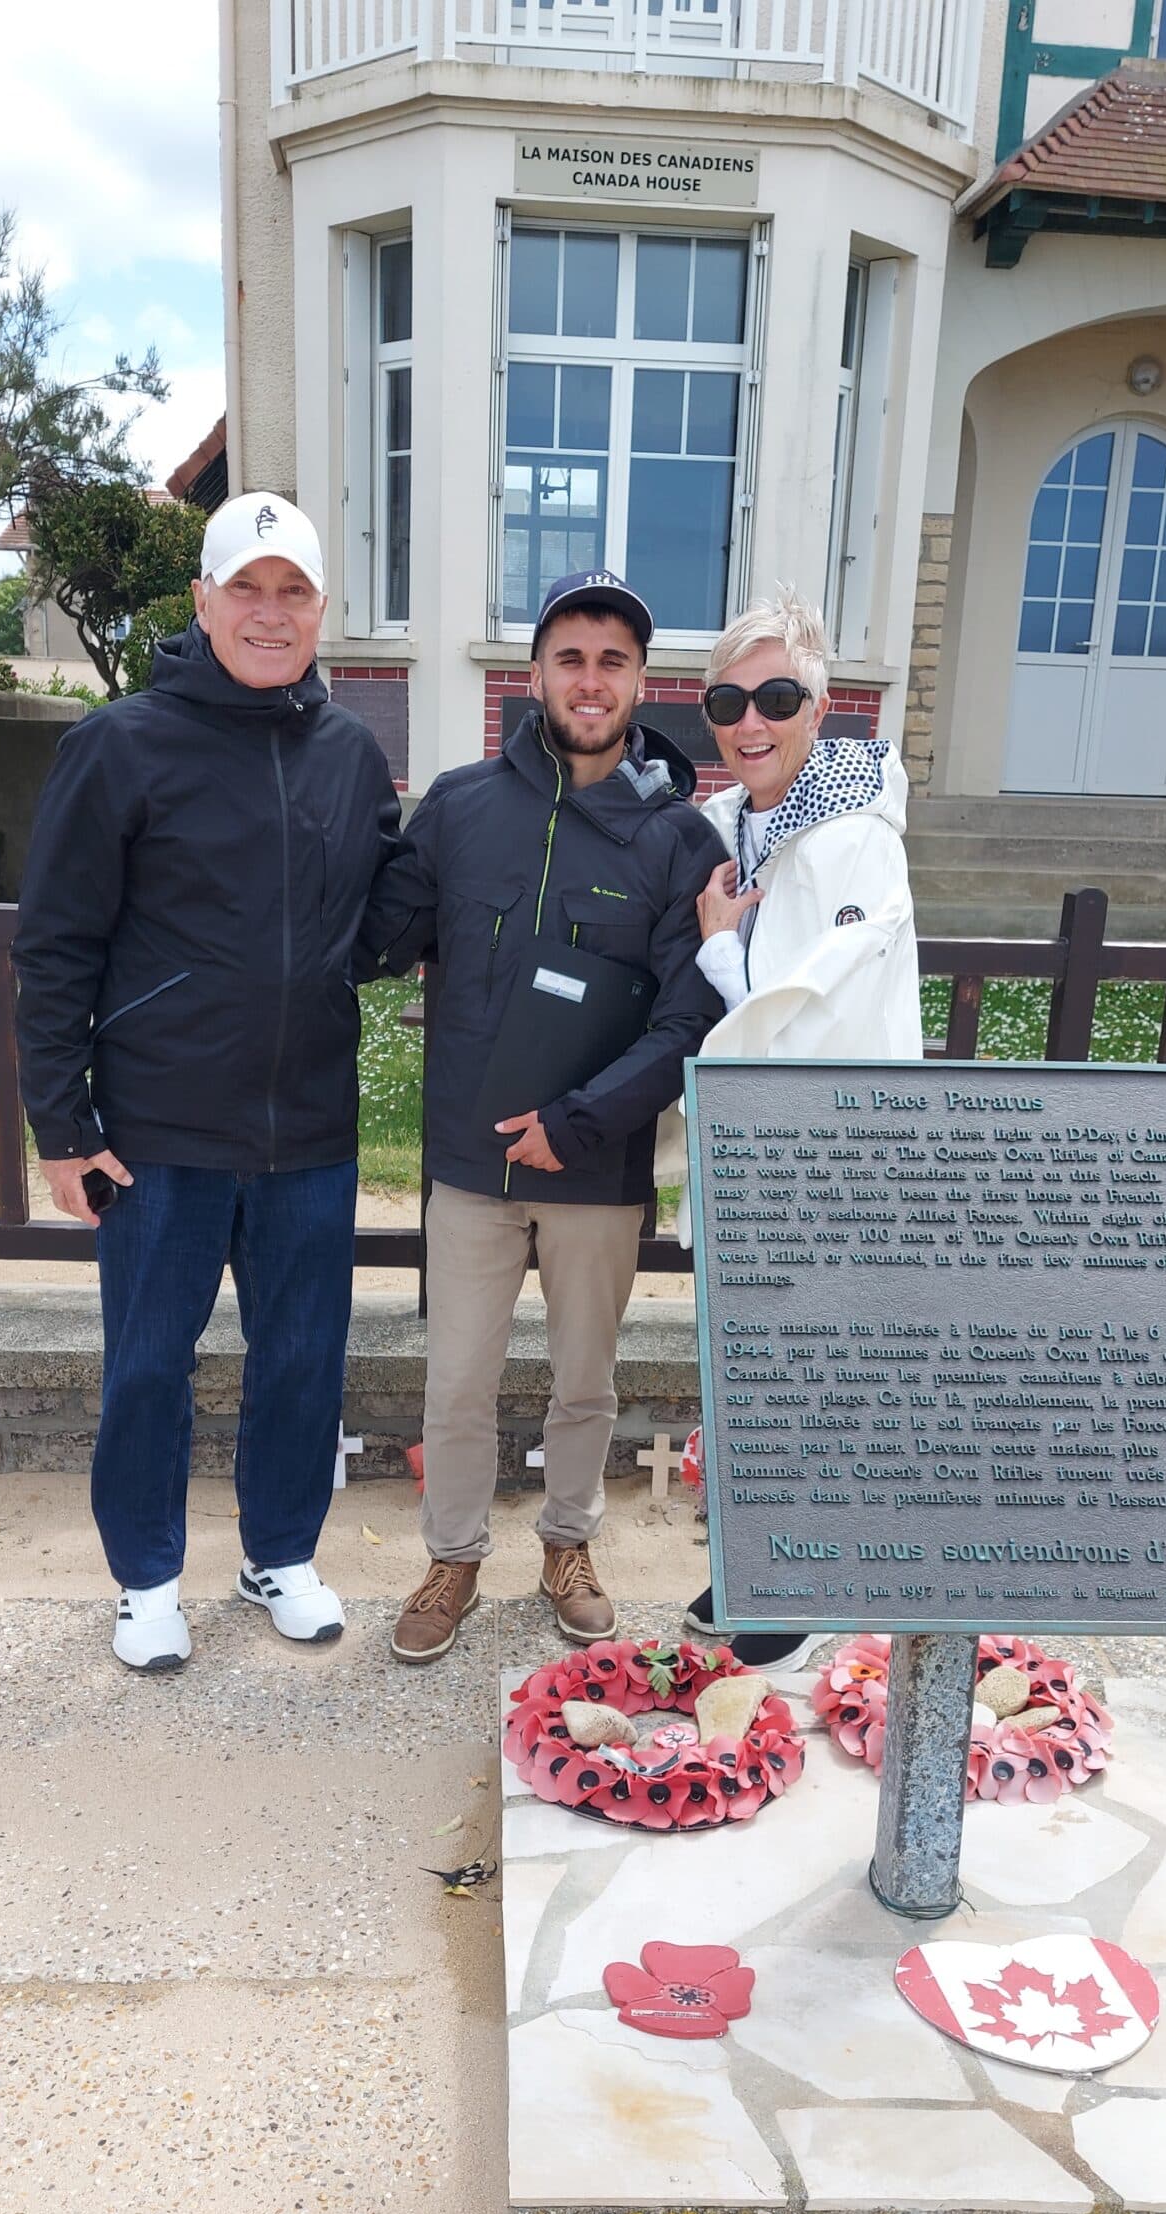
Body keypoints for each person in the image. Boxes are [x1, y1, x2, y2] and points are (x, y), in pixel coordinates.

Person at [14, 491, 403, 1672]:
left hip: (310, 1133)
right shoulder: (122, 743)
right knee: (147, 1365)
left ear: (321, 609)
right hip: (158, 1134)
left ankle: (278, 1552)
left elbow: (381, 916)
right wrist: (61, 1125)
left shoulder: (348, 752)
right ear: (202, 601)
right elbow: (56, 941)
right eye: (248, 588)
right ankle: (144, 1577)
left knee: (301, 1360)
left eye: (293, 591)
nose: (270, 612)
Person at [366, 570, 725, 1664]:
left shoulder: (681, 842)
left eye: (613, 661)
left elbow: (688, 1016)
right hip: (473, 1167)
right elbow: (378, 935)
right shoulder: (463, 807)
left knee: (585, 1381)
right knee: (458, 1379)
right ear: (534, 675)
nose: (590, 678)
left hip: (593, 1165)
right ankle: (454, 1556)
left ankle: (568, 1543)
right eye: (570, 656)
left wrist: (576, 1123)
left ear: (639, 683)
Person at [670, 585, 922, 1670]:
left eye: (777, 694)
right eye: (729, 698)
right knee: (749, 1360)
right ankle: (763, 1557)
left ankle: (805, 1579)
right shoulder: (734, 821)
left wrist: (725, 950)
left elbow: (808, 1001)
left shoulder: (859, 838)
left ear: (820, 705)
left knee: (818, 1364)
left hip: (829, 1148)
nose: (750, 720)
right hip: (751, 1142)